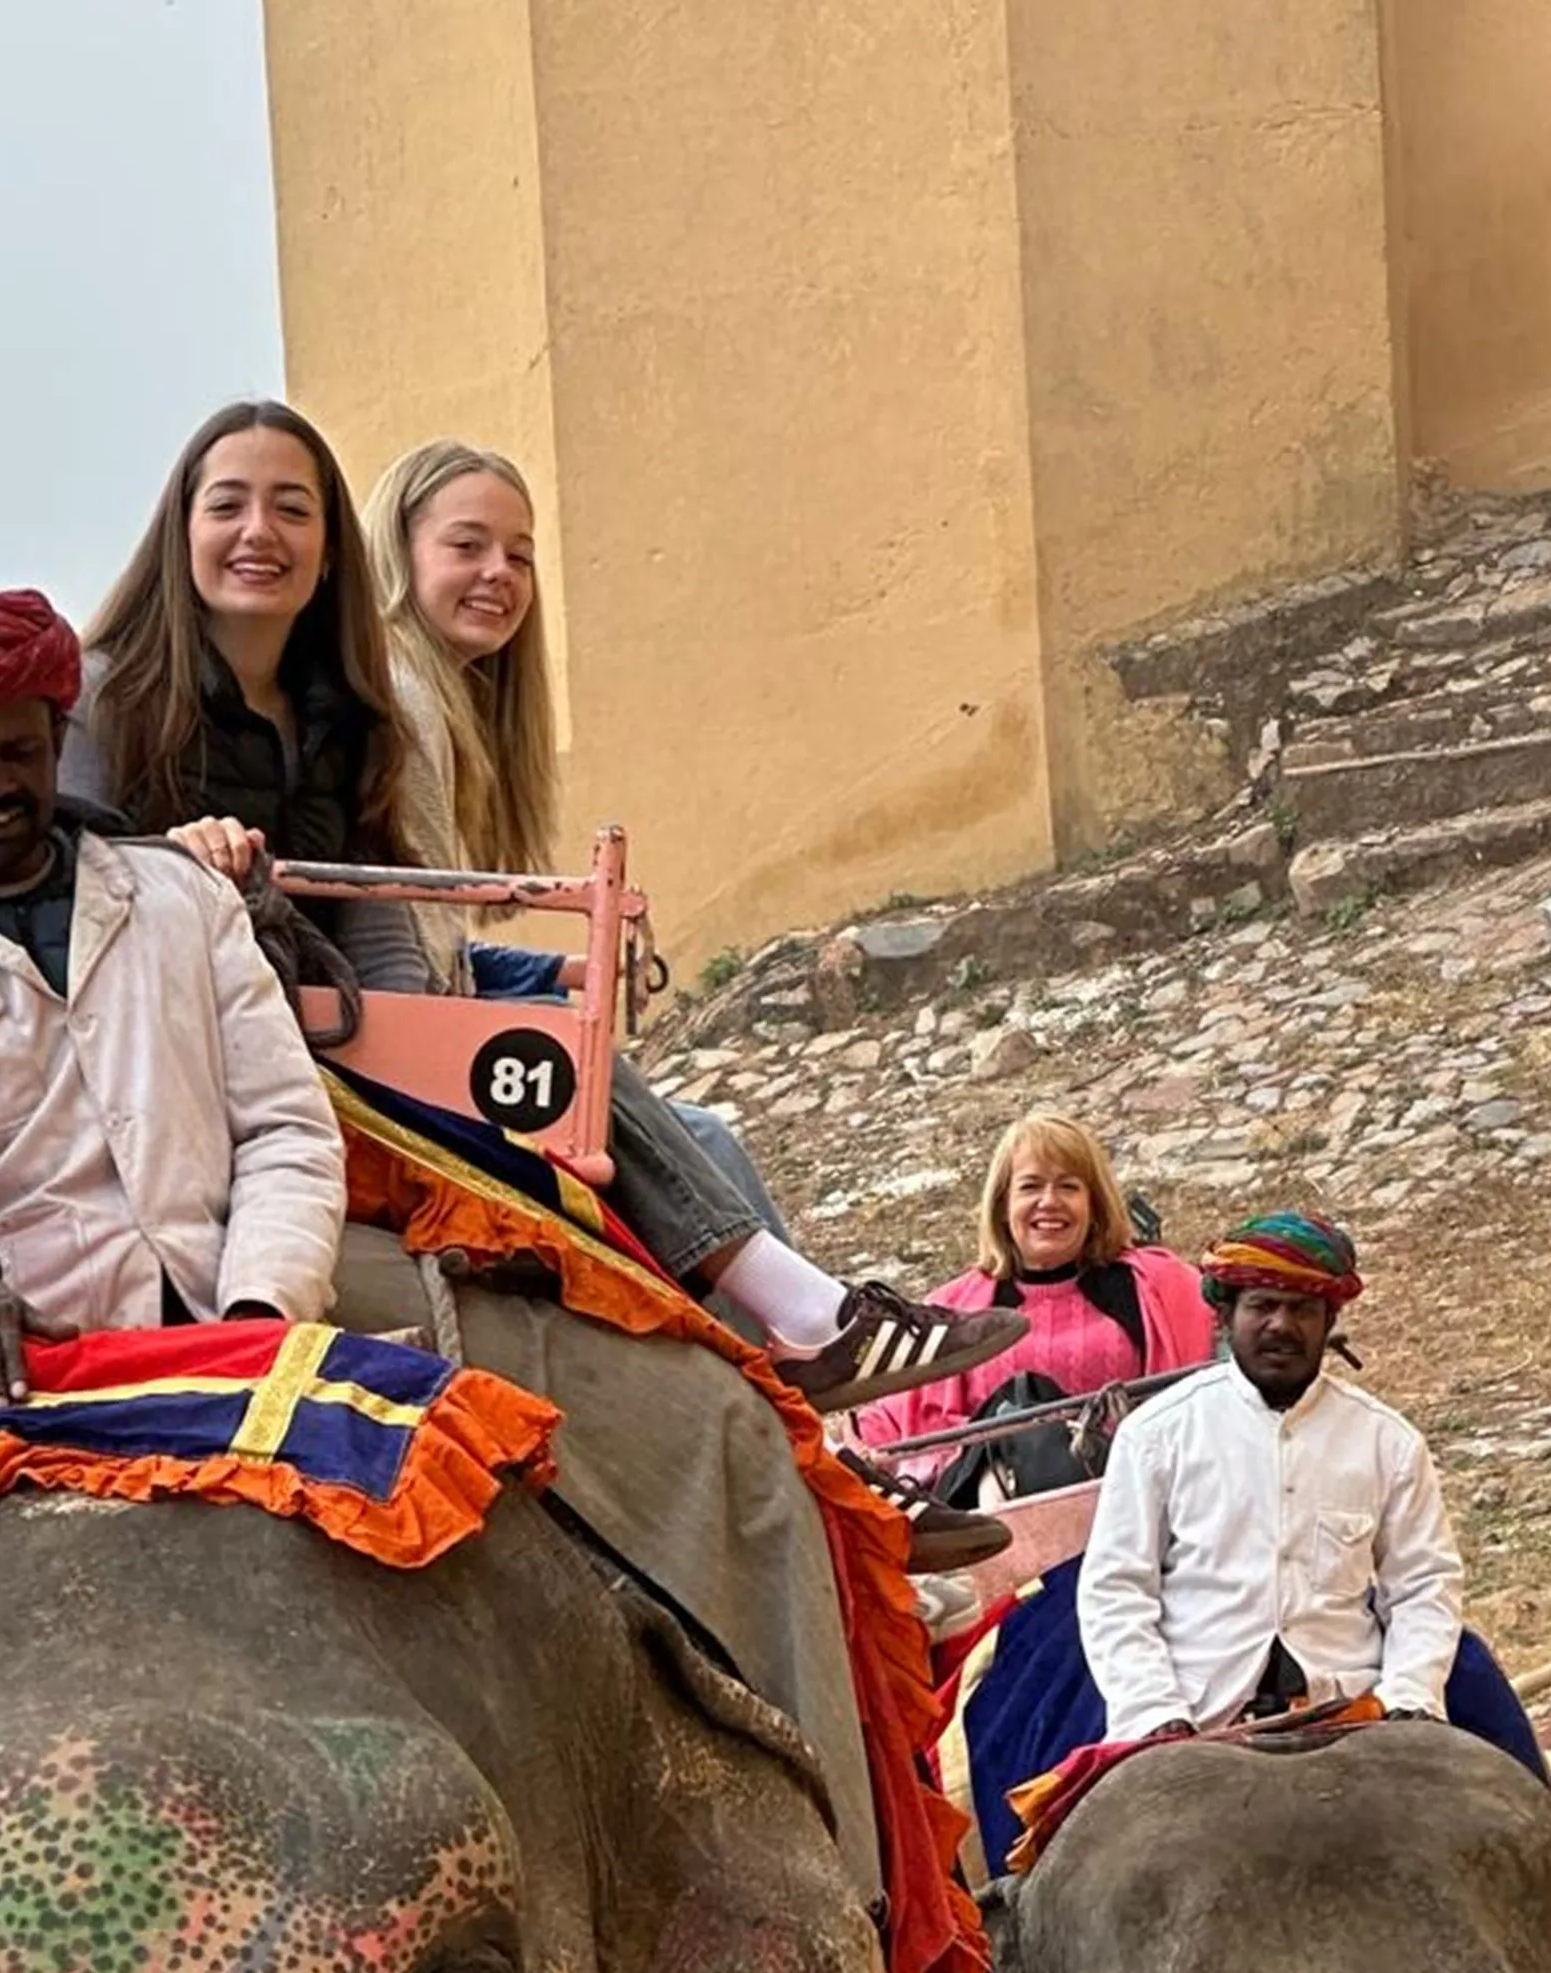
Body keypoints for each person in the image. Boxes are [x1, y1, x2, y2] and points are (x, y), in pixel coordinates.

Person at [74, 408, 1022, 1418]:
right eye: (230, 505)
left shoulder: (337, 718)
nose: (260, 531)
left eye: (292, 509)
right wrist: (174, 868)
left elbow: (390, 929)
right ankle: (817, 1341)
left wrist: (510, 989)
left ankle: (819, 1395)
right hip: (217, 1058)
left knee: (693, 1135)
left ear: (329, 548)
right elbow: (81, 877)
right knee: (600, 1098)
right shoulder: (185, 697)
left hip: (334, 1021)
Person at [0, 587, 348, 1407]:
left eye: (18, 752)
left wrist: (261, 1306)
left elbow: (284, 1127)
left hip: (223, 1325)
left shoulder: (184, 900)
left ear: (57, 742)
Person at [1078, 1208, 1465, 1743]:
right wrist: (1153, 1708)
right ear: (1225, 1316)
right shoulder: (1156, 1434)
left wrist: (1409, 1697)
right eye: (1262, 1305)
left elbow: (1424, 1584)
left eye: (1302, 1309)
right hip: (1195, 1713)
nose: (1281, 1325)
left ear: (1330, 1322)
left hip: (1353, 1711)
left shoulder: (1389, 1442)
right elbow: (1117, 1588)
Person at [848, 1113, 1217, 1502]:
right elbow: (891, 1420)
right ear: (1004, 1205)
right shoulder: (952, 1310)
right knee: (1015, 1406)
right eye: (1031, 1186)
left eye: (1069, 1187)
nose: (1049, 1202)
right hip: (984, 1496)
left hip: (1129, 1488)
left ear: (1094, 1204)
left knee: (1029, 1401)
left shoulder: (1154, 1285)